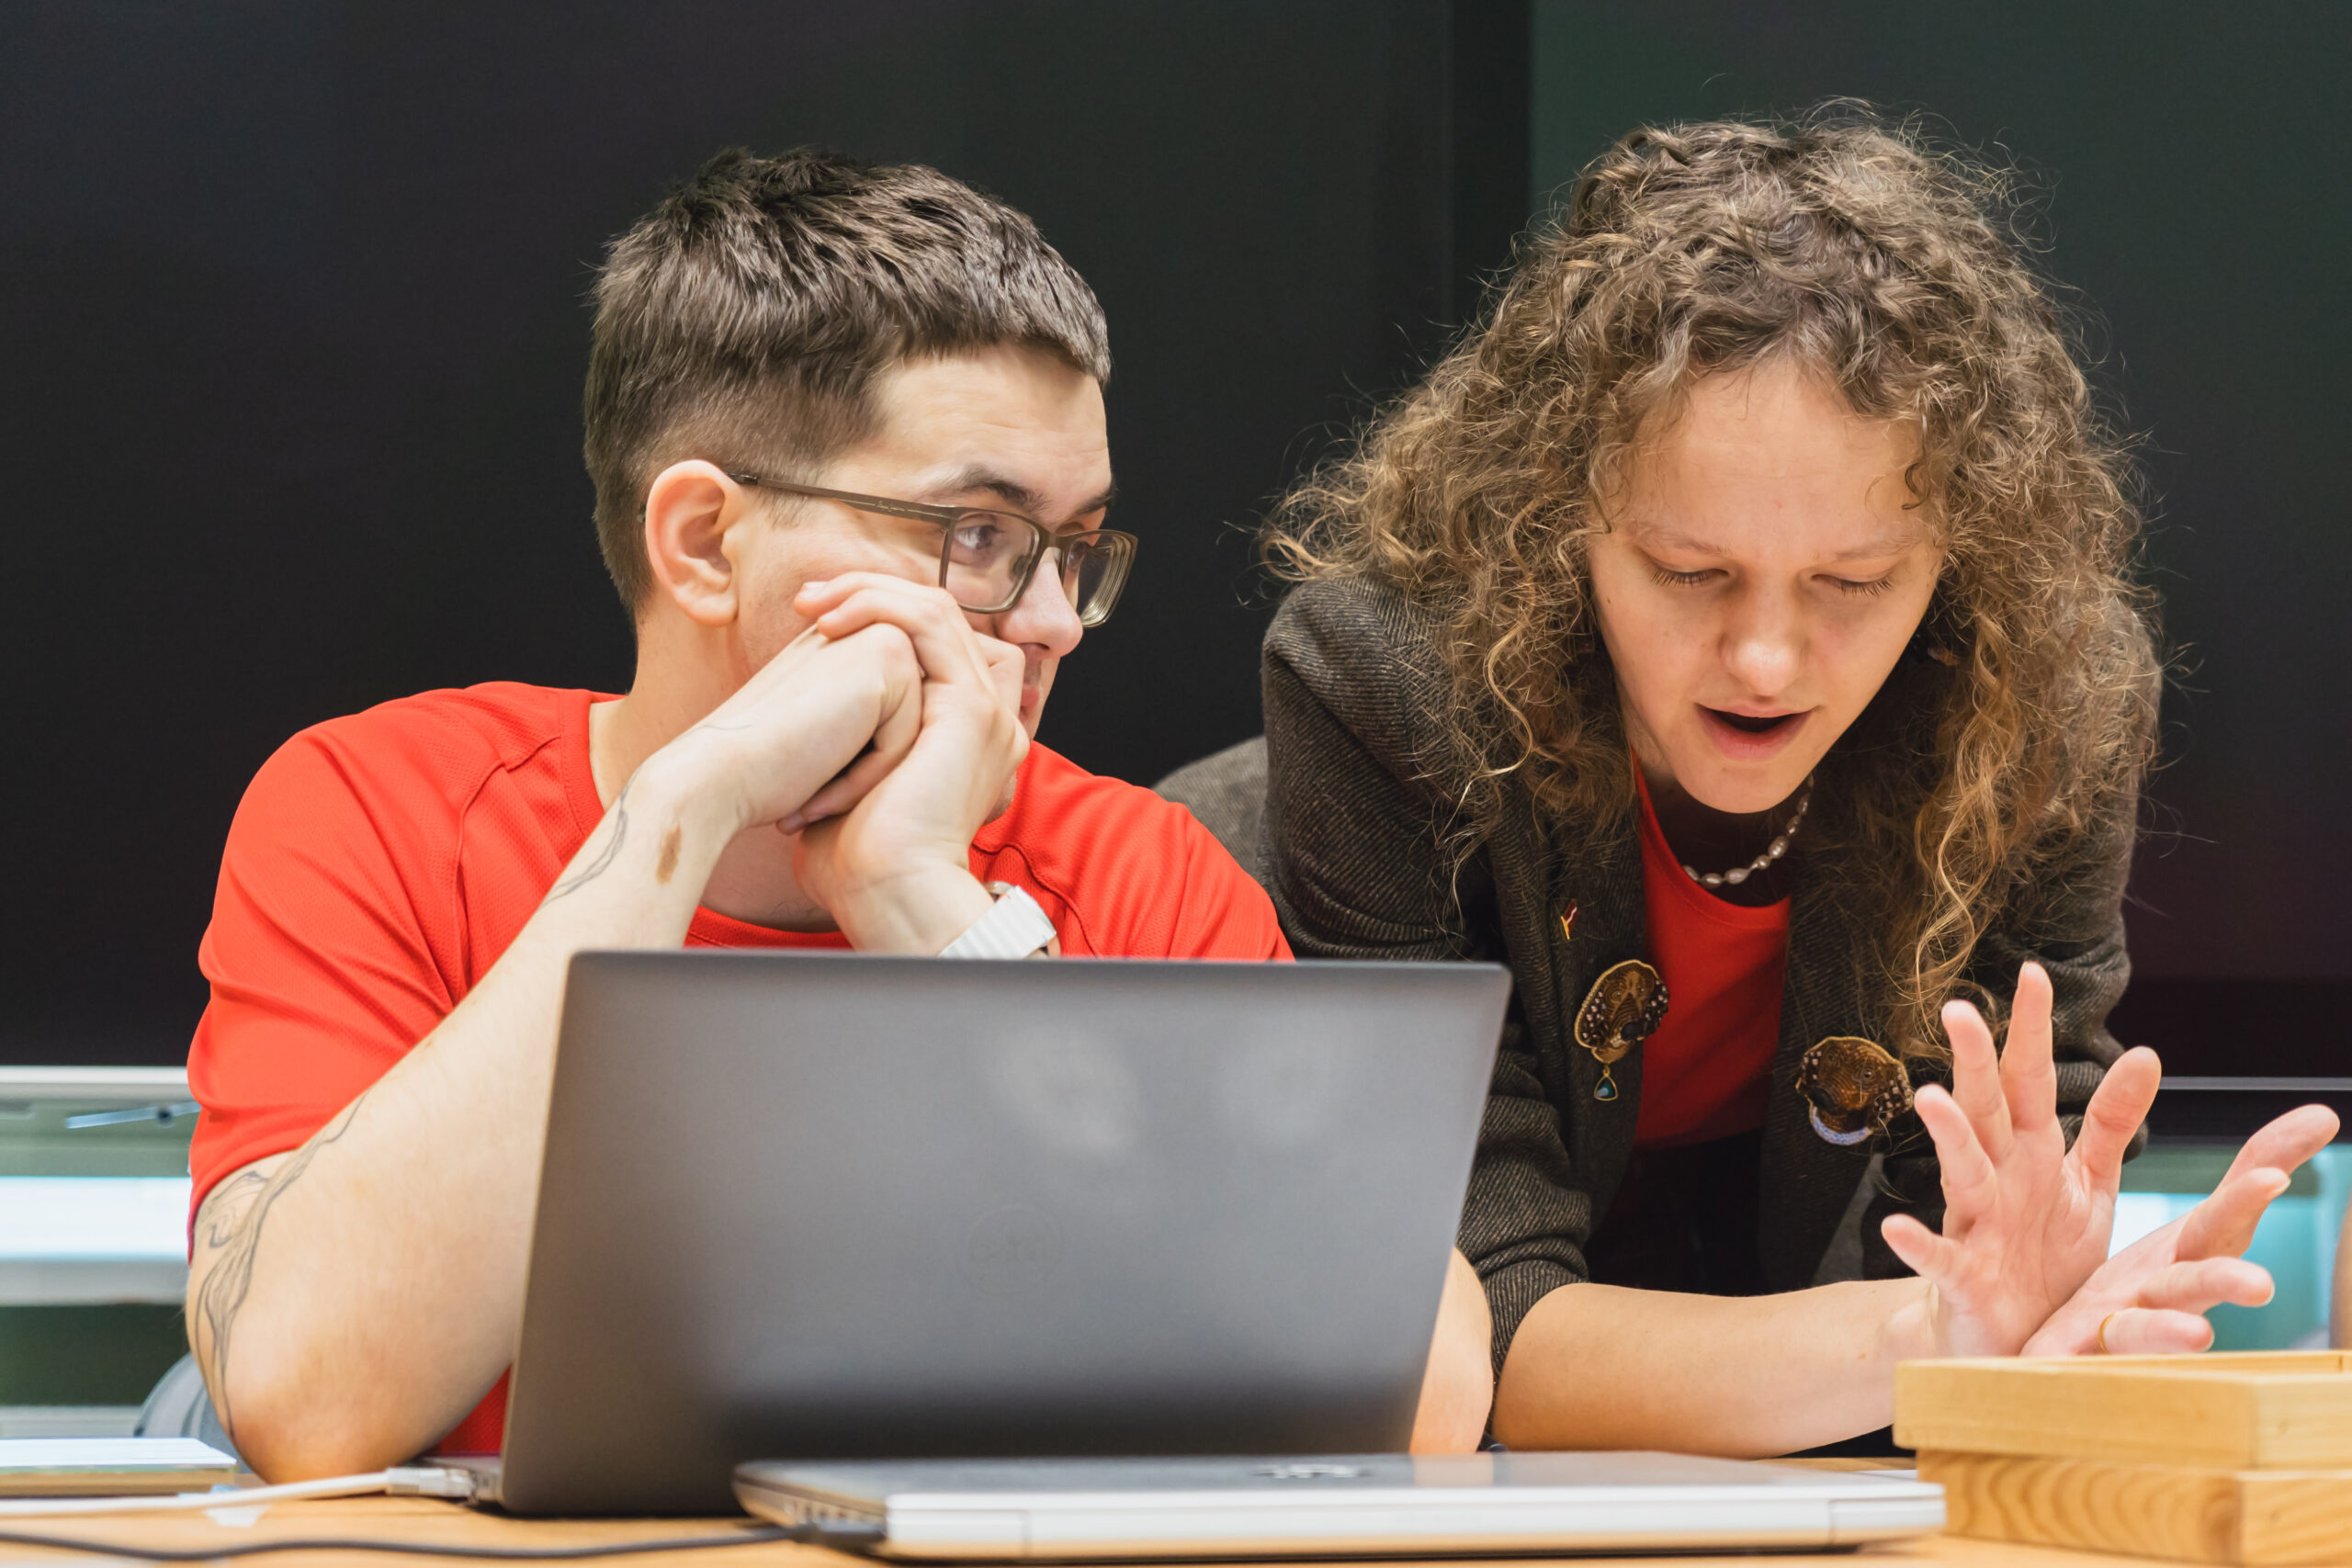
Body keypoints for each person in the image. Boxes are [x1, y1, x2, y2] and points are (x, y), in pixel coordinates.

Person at [182, 149, 1494, 1482]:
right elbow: (306, 1401)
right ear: (704, 542)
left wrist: (925, 903)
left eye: (1074, 545)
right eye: (978, 535)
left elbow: (1423, 1402)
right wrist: (686, 808)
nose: (1053, 621)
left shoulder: (1137, 869)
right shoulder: (381, 810)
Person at [1257, 109, 2337, 1454]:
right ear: (1557, 520)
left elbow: (1990, 1235)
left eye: (1854, 583)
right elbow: (1475, 1335)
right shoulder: (1384, 689)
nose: (1764, 660)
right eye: (1687, 571)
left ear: (1962, 558)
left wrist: (2041, 1306)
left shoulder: (2043, 699)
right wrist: (1927, 1338)